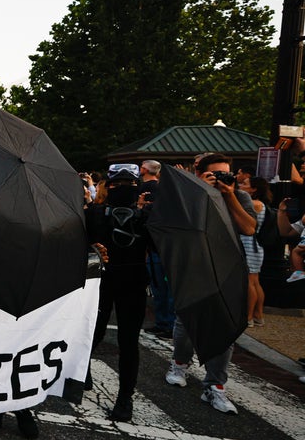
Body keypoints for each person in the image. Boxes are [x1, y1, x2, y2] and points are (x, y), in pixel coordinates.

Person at [164, 154, 256, 415]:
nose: (222, 179)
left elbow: (248, 229)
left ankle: (215, 386)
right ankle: (180, 362)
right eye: (215, 175)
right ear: (200, 172)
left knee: (226, 327)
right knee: (186, 323)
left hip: (228, 269)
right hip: (195, 268)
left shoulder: (240, 196)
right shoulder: (190, 191)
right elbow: (183, 225)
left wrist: (228, 195)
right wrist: (199, 189)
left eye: (226, 174)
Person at [86, 164, 150, 422]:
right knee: (95, 329)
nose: (123, 189)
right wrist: (92, 248)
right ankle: (83, 370)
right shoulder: (94, 213)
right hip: (102, 282)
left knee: (128, 341)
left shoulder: (147, 218)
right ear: (108, 187)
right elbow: (79, 241)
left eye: (130, 185)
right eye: (117, 185)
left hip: (132, 282)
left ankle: (125, 396)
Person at [139, 160, 173, 338]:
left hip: (166, 250)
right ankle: (163, 323)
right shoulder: (157, 198)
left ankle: (169, 324)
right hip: (155, 248)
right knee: (159, 289)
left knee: (167, 290)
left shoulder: (174, 204)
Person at [240, 177, 270, 325]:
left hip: (249, 244)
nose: (241, 186)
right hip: (256, 245)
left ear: (254, 189)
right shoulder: (261, 204)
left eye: (245, 184)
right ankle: (258, 315)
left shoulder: (253, 203)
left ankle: (249, 316)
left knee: (250, 282)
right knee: (255, 281)